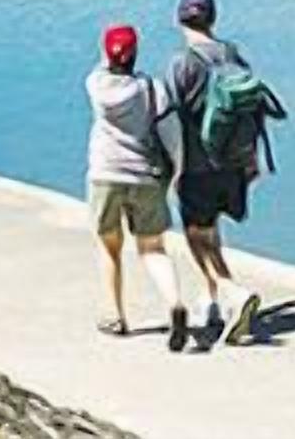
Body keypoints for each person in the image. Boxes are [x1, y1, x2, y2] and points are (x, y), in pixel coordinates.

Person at [163, 0, 283, 347]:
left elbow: (167, 117)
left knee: (196, 237)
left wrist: (169, 167)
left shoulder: (181, 63)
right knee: (211, 229)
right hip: (233, 165)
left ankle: (233, 293)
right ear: (212, 19)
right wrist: (252, 162)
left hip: (197, 167)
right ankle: (212, 299)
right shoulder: (233, 56)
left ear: (179, 20)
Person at [85, 24, 192, 348]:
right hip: (145, 176)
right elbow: (172, 135)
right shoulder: (152, 89)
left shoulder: (94, 85)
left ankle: (115, 316)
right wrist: (177, 172)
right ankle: (174, 302)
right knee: (152, 248)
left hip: (105, 174)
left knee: (109, 247)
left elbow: (105, 65)